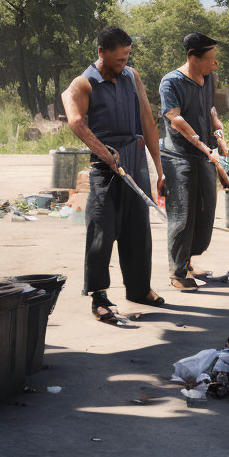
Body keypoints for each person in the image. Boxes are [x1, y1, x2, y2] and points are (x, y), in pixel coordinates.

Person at [62, 26, 166, 323]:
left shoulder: (132, 77)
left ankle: (139, 288)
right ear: (101, 53)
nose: (124, 62)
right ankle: (99, 296)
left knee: (138, 228)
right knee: (101, 230)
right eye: (119, 58)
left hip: (134, 158)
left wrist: (159, 171)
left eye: (126, 57)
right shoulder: (83, 83)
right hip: (105, 165)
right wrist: (103, 152)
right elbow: (76, 121)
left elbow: (147, 120)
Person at [160, 32, 228, 291]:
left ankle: (187, 261)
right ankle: (177, 272)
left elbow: (210, 108)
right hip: (179, 157)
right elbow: (176, 120)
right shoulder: (171, 83)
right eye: (210, 58)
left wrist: (218, 133)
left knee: (205, 212)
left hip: (205, 155)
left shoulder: (208, 77)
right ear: (193, 57)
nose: (215, 63)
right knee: (183, 214)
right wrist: (202, 145)